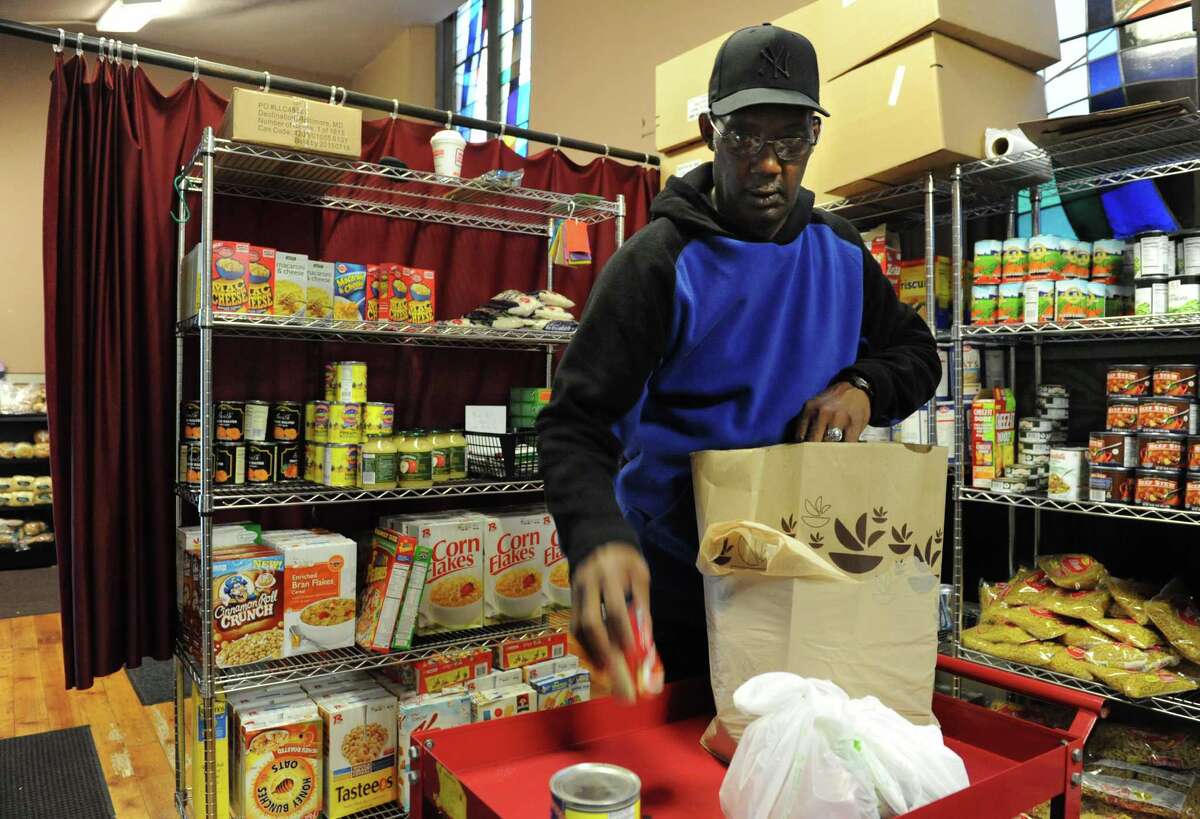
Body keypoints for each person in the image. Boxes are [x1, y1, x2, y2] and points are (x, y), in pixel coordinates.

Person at [537, 23, 940, 693]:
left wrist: (865, 386)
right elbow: (575, 425)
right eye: (746, 137)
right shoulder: (658, 262)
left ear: (814, 136)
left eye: (791, 139)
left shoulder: (842, 254)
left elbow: (918, 353)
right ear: (709, 132)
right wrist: (598, 535)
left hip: (804, 572)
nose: (769, 163)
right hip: (677, 581)